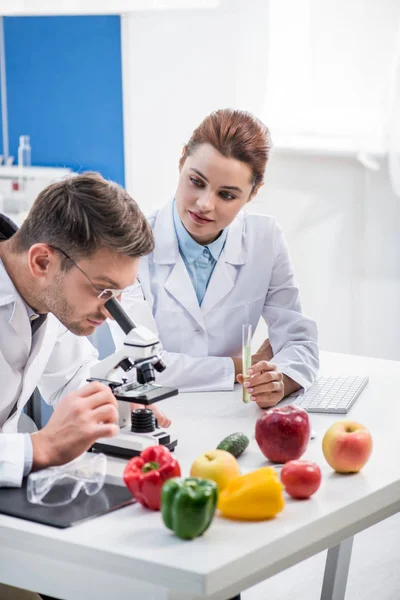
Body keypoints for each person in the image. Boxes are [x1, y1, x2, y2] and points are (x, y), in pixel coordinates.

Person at [111, 109, 319, 408]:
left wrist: (279, 380)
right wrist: (243, 366)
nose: (205, 204)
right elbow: (142, 363)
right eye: (196, 181)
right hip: (157, 412)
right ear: (182, 160)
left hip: (236, 410)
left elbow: (298, 341)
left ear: (253, 192)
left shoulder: (265, 239)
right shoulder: (130, 243)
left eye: (227, 195)